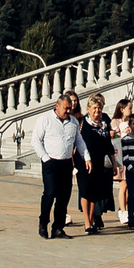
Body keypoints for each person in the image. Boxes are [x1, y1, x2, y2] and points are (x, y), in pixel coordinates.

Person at [32, 91, 88, 239]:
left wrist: (86, 157)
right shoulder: (45, 120)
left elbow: (79, 142)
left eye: (70, 108)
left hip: (66, 163)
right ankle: (43, 223)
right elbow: (36, 140)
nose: (69, 111)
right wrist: (45, 157)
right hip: (51, 162)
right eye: (66, 108)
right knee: (50, 193)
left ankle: (58, 227)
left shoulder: (73, 122)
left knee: (64, 196)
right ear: (57, 106)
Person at [77, 90, 115, 234]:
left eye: (99, 108)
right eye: (94, 108)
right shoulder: (82, 124)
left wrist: (114, 163)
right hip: (84, 163)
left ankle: (92, 219)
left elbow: (109, 145)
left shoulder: (104, 125)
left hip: (99, 163)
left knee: (95, 193)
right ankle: (87, 222)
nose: (97, 111)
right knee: (86, 191)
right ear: (88, 109)